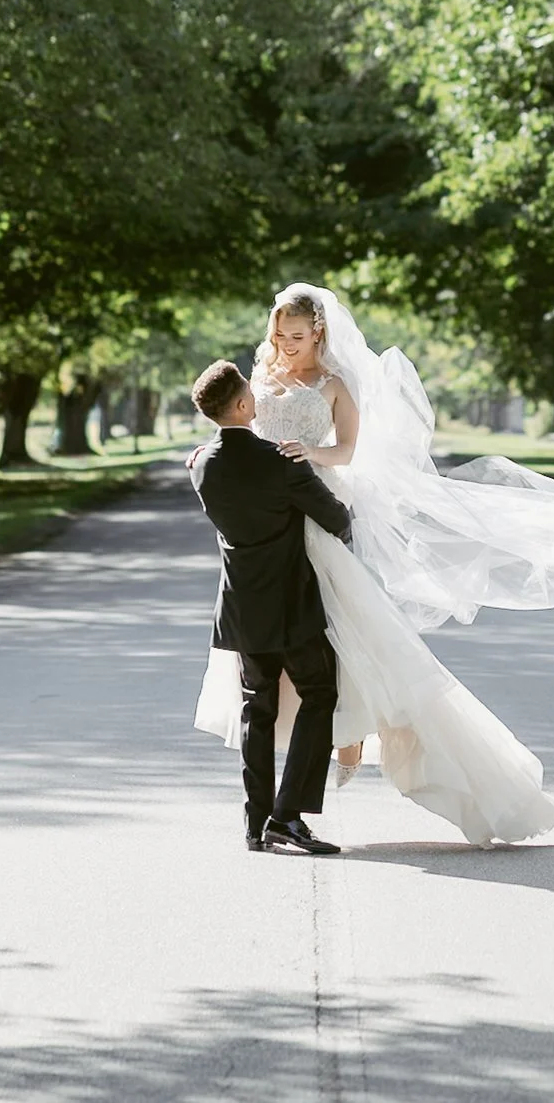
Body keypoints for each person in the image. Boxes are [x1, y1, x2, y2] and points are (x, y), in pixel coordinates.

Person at [193, 284, 554, 847]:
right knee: (279, 675)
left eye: (297, 336)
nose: (284, 345)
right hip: (272, 523)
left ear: (320, 333)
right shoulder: (257, 380)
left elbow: (348, 451)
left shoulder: (334, 385)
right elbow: (236, 435)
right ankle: (280, 809)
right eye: (278, 335)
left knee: (344, 641)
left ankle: (328, 759)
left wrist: (308, 457)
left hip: (314, 503)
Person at [186, 357, 353, 855]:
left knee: (256, 709)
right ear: (241, 405)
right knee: (319, 694)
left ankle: (256, 822)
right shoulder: (282, 463)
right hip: (292, 603)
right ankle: (289, 816)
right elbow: (335, 518)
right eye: (250, 396)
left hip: (241, 606)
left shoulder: (201, 466)